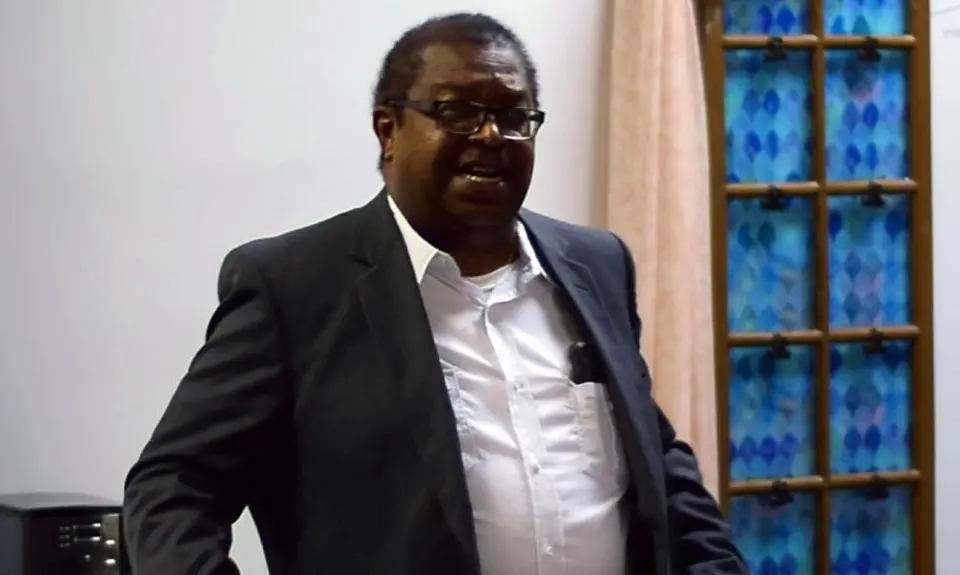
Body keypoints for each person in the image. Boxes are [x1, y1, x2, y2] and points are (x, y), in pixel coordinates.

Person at [122, 12, 746, 575]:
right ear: (388, 130)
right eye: (457, 112)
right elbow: (172, 488)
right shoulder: (293, 287)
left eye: (514, 116)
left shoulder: (596, 265)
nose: (491, 135)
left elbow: (654, 458)